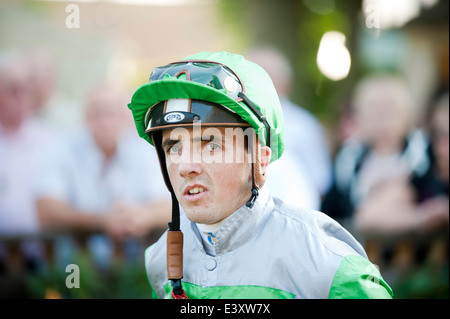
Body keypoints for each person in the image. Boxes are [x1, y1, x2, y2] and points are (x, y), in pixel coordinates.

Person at [127, 51, 393, 299]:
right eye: (174, 147)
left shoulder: (331, 267)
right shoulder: (159, 259)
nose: (186, 166)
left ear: (261, 161)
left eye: (211, 145)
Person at [35, 83, 171, 266]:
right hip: (75, 268)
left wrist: (143, 216)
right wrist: (100, 220)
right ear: (85, 117)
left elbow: (170, 204)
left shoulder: (143, 150)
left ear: (125, 118)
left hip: (132, 268)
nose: (105, 120)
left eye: (111, 112)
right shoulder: (63, 147)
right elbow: (45, 208)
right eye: (97, 112)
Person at [247, 46, 333, 200]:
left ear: (286, 82)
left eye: (265, 74)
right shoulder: (230, 121)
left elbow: (320, 179)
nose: (255, 81)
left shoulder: (304, 125)